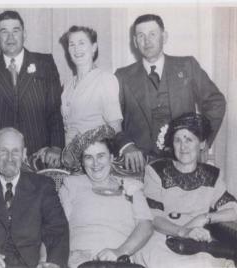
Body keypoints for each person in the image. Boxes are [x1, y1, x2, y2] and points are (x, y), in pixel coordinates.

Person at [114, 14, 226, 173]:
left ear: (164, 37)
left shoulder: (187, 66)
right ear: (135, 42)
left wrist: (202, 140)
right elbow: (110, 119)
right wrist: (126, 146)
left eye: (152, 34)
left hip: (184, 163)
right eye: (141, 36)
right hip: (141, 169)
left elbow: (216, 102)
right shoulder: (122, 76)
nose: (147, 41)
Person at [138, 112, 237, 267]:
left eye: (189, 140)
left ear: (202, 144)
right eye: (177, 140)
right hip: (161, 239)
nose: (183, 147)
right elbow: (154, 218)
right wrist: (183, 231)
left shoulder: (211, 175)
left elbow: (233, 209)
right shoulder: (156, 170)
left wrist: (205, 218)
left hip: (195, 243)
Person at [0, 10, 64, 168]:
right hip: (1, 159)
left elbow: (54, 111)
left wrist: (56, 146)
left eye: (16, 30)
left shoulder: (45, 63)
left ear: (24, 34)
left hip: (40, 156)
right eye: (4, 31)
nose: (10, 37)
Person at [0, 128, 69, 268]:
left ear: (24, 154)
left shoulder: (43, 186)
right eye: (3, 151)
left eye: (15, 151)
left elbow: (57, 230)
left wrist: (51, 263)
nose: (9, 158)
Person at [59, 125, 153, 268]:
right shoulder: (71, 185)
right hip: (82, 262)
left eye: (101, 156)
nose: (95, 164)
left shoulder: (131, 186)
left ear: (111, 158)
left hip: (120, 262)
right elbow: (56, 228)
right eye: (89, 157)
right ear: (83, 163)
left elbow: (146, 226)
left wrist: (119, 252)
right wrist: (65, 255)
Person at [60, 26, 122, 145]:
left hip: (94, 156)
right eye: (72, 44)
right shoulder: (67, 86)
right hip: (68, 157)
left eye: (81, 43)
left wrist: (83, 141)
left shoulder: (105, 79)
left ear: (94, 47)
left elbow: (115, 130)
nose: (76, 49)